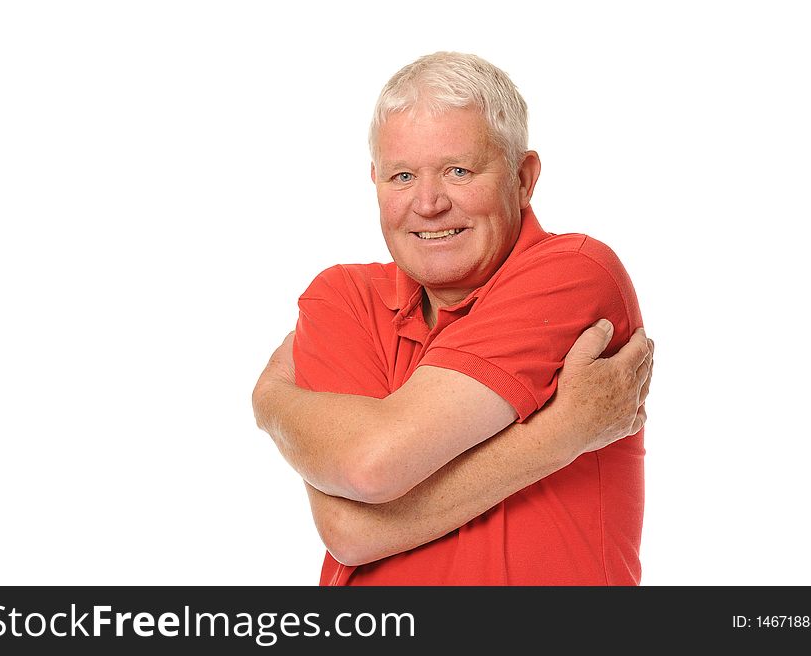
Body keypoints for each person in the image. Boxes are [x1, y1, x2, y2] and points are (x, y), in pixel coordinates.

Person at [253, 52, 653, 585]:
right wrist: (561, 433)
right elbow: (349, 525)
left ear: (524, 178)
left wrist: (277, 398)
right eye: (401, 176)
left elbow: (371, 473)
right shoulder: (343, 296)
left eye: (458, 171)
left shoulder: (573, 275)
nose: (427, 203)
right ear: (374, 182)